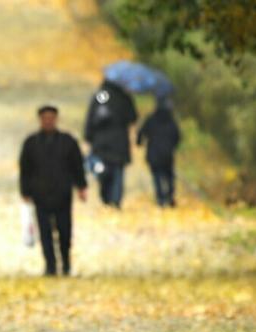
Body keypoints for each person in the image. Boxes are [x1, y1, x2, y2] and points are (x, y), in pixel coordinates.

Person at [20, 105, 87, 276]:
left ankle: (65, 263)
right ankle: (50, 265)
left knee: (65, 231)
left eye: (51, 118)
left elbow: (77, 165)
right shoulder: (31, 143)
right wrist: (25, 192)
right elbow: (25, 169)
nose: (48, 121)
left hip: (63, 194)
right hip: (40, 195)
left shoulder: (68, 141)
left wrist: (81, 186)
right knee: (45, 233)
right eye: (45, 118)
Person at [84, 79, 137, 208]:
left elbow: (92, 116)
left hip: (102, 142)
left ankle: (106, 198)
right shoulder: (124, 98)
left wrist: (89, 135)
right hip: (119, 142)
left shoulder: (102, 96)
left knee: (103, 170)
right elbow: (132, 117)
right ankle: (115, 200)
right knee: (118, 171)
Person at [137, 99, 181, 207]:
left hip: (153, 153)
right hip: (167, 154)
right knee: (169, 176)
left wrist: (139, 141)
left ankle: (160, 198)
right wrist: (173, 146)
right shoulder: (171, 121)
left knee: (157, 176)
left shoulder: (151, 119)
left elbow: (142, 132)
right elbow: (177, 136)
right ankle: (169, 196)